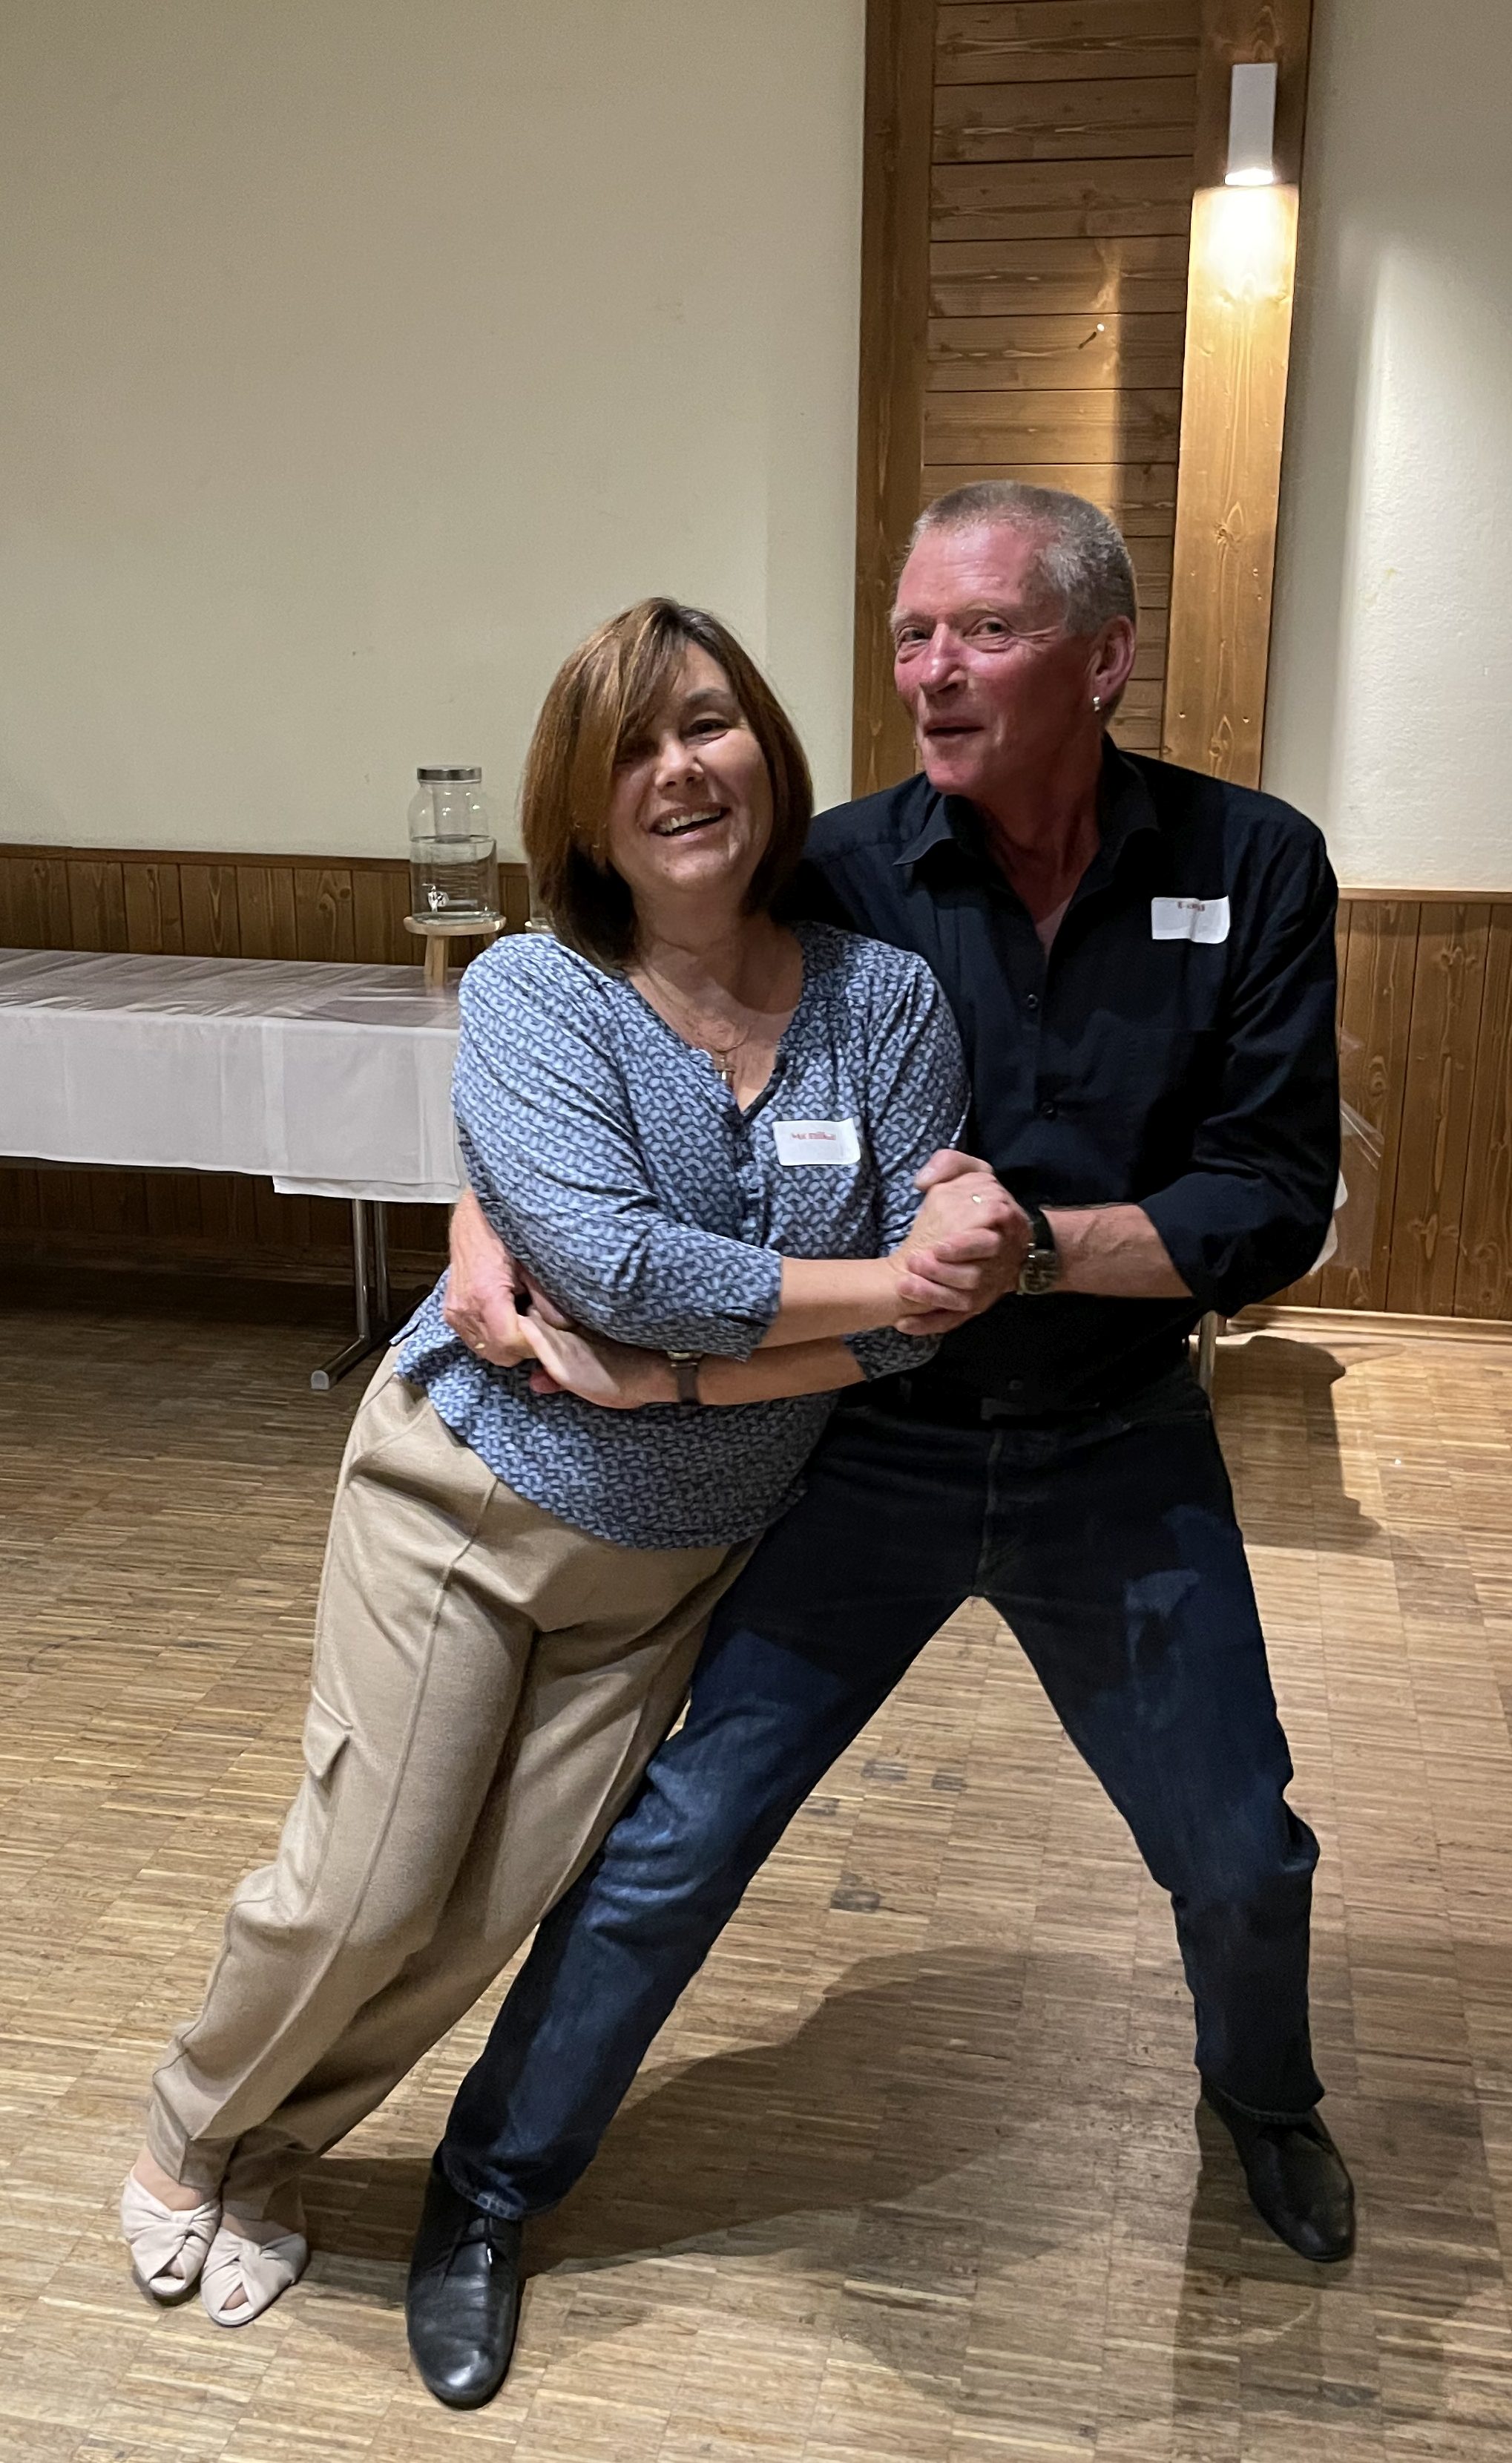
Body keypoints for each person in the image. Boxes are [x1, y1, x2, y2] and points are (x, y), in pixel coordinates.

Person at [423, 481, 1354, 2409]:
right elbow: (614, 1015)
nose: (928, 667)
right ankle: (486, 2191)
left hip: (1115, 1442)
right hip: (867, 1441)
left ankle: (1259, 2099)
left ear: (1101, 658)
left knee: (1239, 1845)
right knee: (680, 1836)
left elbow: (1267, 1199)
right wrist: (485, 1205)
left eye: (981, 631)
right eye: (910, 632)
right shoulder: (838, 867)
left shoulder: (1250, 863)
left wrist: (1034, 1253)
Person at [119, 596, 1018, 2343]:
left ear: (765, 747)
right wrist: (873, 1291)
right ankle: (183, 2129)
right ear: (581, 804)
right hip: (467, 1497)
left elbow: (919, 1327)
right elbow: (611, 1265)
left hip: (674, 1559)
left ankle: (274, 2151)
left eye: (706, 723)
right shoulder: (540, 989)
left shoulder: (885, 1001)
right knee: (367, 1884)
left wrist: (684, 1373)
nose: (677, 771)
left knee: (481, 1913)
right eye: (630, 748)